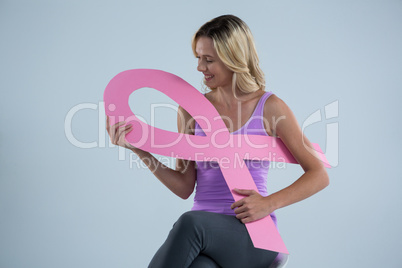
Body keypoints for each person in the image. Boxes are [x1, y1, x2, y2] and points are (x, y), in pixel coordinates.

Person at [106, 14, 329, 268]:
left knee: (191, 222)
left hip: (254, 236)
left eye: (208, 60)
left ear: (233, 59)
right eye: (198, 58)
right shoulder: (190, 109)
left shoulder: (270, 107)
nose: (200, 68)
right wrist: (139, 149)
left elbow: (319, 174)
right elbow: (184, 186)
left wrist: (269, 203)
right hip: (204, 238)